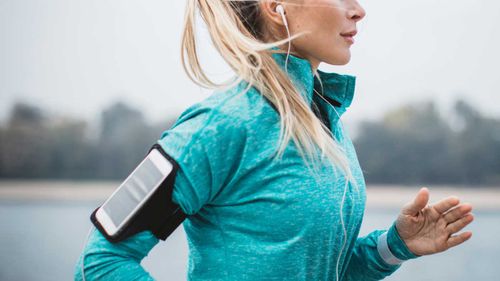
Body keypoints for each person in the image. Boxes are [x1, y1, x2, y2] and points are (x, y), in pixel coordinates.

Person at [74, 0, 475, 280]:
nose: (359, 9)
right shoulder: (220, 125)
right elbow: (101, 261)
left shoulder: (324, 119)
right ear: (275, 6)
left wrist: (395, 245)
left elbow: (323, 271)